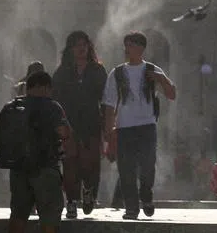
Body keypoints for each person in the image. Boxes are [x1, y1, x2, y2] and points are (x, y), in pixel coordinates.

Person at [102, 31, 176, 220]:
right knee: (125, 168)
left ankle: (146, 194)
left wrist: (160, 79)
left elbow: (171, 94)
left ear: (142, 48)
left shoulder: (152, 70)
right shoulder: (117, 73)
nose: (128, 49)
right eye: (126, 45)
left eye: (132, 45)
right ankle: (131, 208)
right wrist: (109, 133)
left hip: (146, 126)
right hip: (124, 127)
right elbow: (109, 105)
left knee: (147, 166)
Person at [1, 71, 70, 233]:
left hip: (18, 167)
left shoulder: (13, 107)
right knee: (49, 210)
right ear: (46, 87)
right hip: (45, 167)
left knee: (18, 211)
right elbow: (64, 133)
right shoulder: (52, 107)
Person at [52, 31, 107, 219]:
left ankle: (89, 190)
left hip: (91, 123)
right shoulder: (62, 72)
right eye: (76, 45)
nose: (81, 48)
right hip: (68, 124)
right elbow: (55, 100)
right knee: (70, 164)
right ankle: (72, 201)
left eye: (84, 44)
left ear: (89, 47)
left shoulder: (97, 71)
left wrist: (108, 127)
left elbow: (105, 99)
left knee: (90, 163)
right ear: (70, 49)